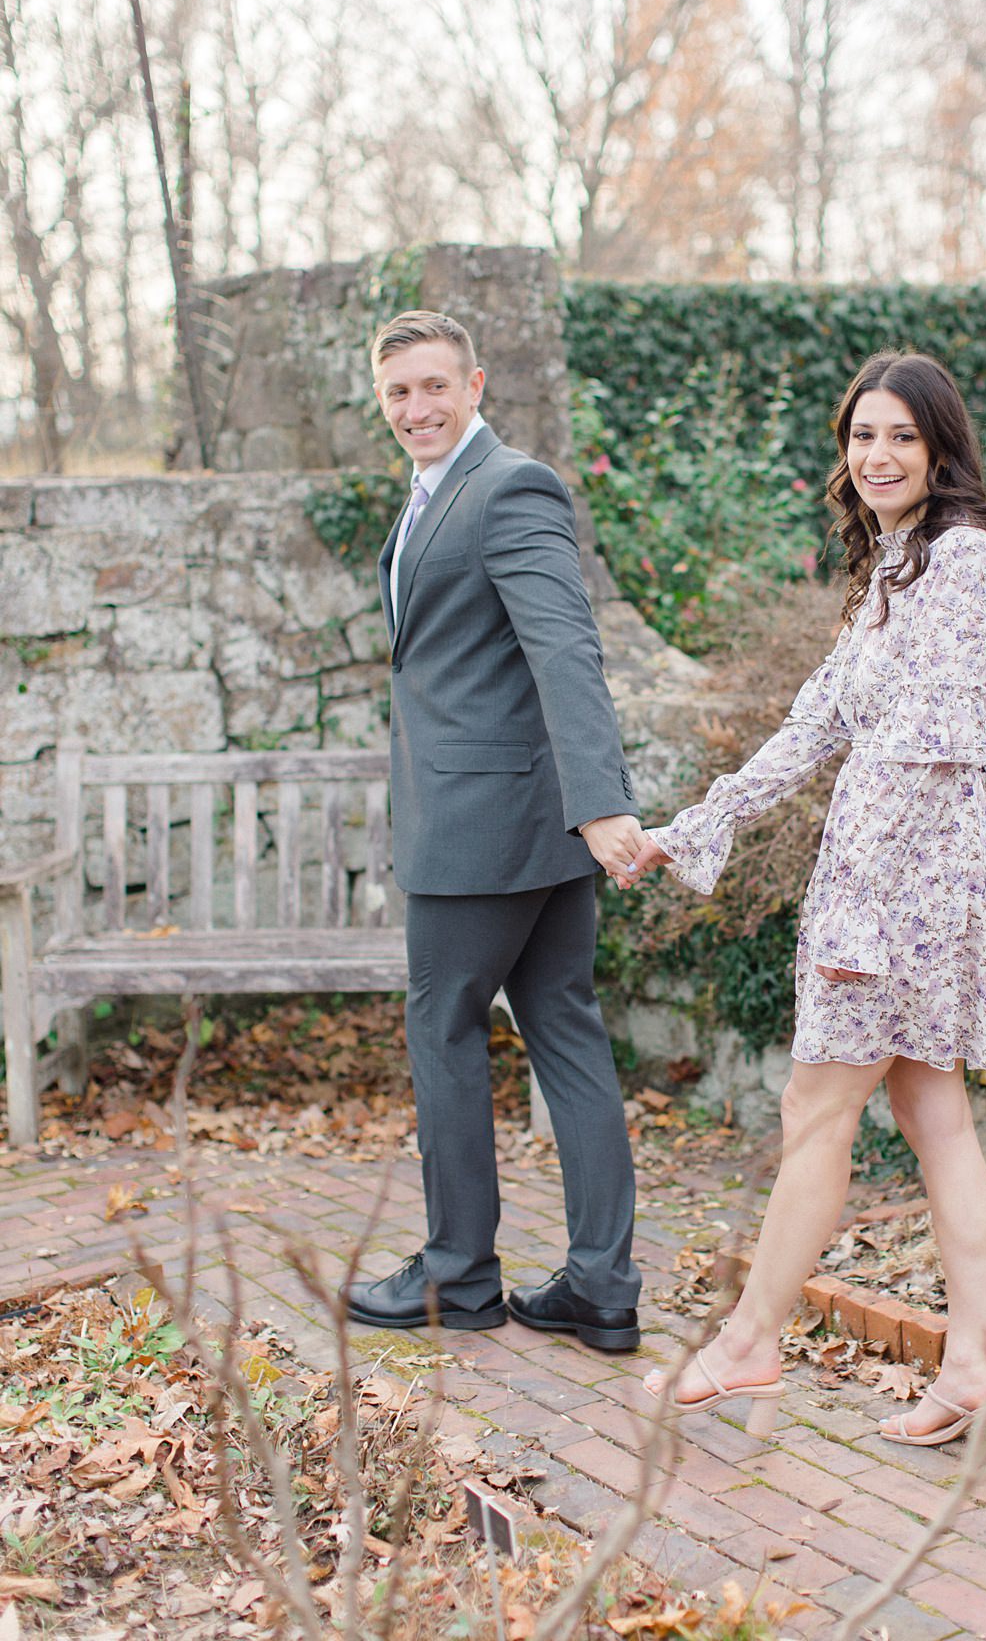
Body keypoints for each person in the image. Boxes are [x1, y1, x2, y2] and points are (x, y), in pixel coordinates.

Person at [627, 351, 986, 1451]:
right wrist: (691, 828)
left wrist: (858, 906)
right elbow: (814, 727)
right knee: (932, 1111)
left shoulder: (960, 560)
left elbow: (936, 746)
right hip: (893, 877)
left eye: (903, 436)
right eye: (863, 436)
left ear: (940, 450)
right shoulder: (895, 571)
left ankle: (749, 1341)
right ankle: (977, 1365)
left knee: (817, 1108)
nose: (878, 456)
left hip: (907, 883)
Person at [344, 310, 644, 1350]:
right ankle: (601, 1286)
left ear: (475, 386)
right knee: (564, 1026)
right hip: (523, 820)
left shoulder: (508, 486)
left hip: (483, 831)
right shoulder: (433, 493)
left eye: (435, 385)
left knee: (446, 1033)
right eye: (398, 392)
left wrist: (601, 801)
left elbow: (566, 647)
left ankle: (459, 1276)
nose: (417, 407)